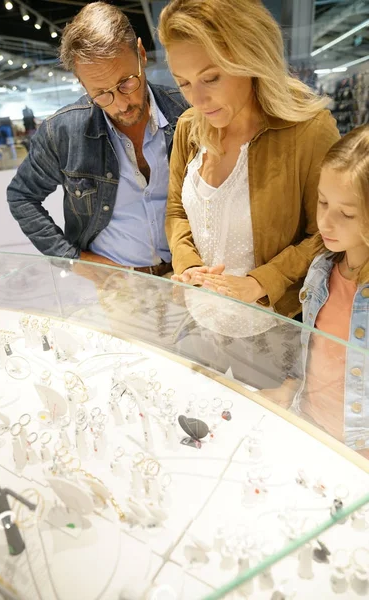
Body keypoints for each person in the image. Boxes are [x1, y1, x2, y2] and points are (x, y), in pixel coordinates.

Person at [158, 0, 340, 319]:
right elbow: (176, 210)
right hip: (202, 317)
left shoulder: (309, 132)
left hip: (278, 324)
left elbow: (327, 235)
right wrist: (189, 266)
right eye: (183, 83)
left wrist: (261, 282)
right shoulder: (188, 127)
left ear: (250, 58)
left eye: (211, 77)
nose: (197, 100)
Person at [7, 2, 188, 276]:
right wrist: (75, 260)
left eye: (126, 82)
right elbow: (22, 196)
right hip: (119, 284)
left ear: (140, 53)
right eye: (101, 93)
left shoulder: (186, 112)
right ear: (81, 82)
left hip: (191, 272)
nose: (120, 104)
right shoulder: (63, 132)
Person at [290, 126, 369, 456]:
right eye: (322, 202)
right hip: (309, 426)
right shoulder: (321, 270)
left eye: (346, 213)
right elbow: (315, 351)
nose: (325, 222)